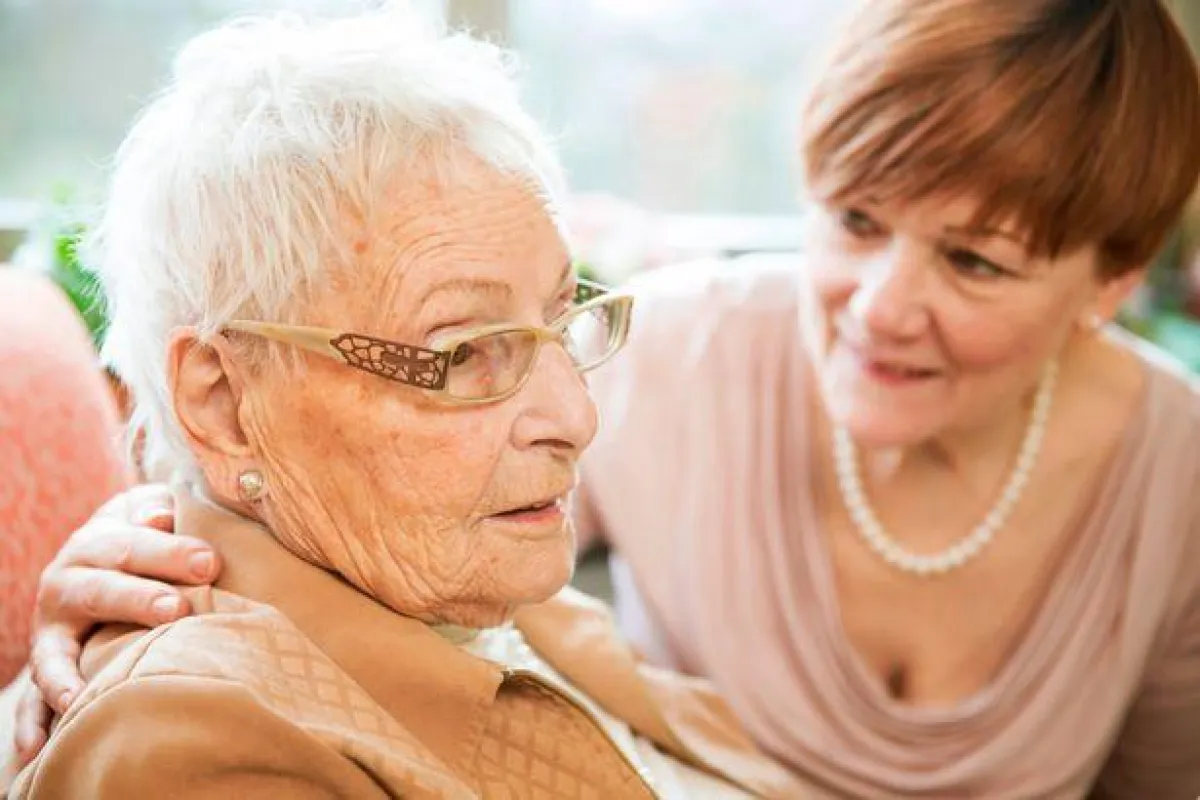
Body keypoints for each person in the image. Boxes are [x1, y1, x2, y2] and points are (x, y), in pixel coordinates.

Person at [10, 0, 1200, 796]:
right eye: (469, 347)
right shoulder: (230, 726)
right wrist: (135, 541)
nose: (581, 418)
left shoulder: (510, 596)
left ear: (1111, 287)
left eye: (977, 261)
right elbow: (244, 517)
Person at [0, 8, 802, 798]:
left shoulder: (483, 588)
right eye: (465, 352)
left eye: (560, 319)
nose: (577, 419)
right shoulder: (196, 743)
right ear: (223, 405)